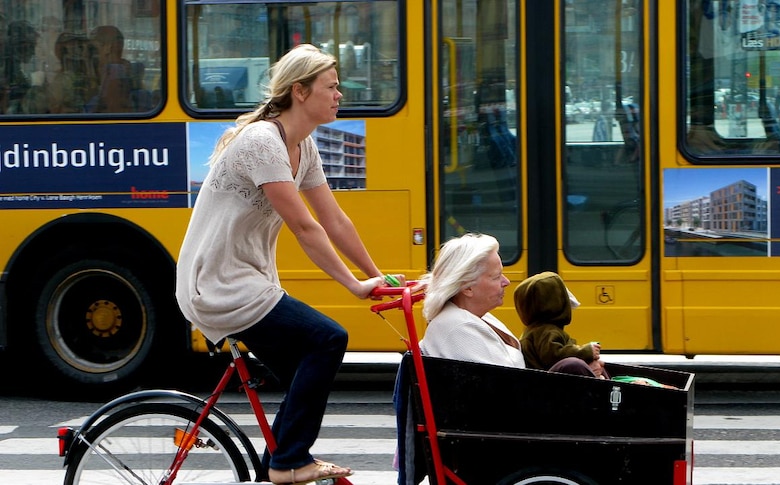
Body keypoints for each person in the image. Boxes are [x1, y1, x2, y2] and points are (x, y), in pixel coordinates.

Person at [176, 44, 395, 485]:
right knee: (328, 339)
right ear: (300, 91)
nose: (339, 96)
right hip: (220, 284)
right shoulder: (262, 142)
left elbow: (335, 219)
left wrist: (376, 275)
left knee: (304, 376)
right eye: (331, 87)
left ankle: (275, 466)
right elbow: (306, 228)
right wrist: (354, 286)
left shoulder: (302, 146)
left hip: (247, 280)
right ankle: (288, 462)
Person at [418, 232, 524, 368]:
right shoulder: (458, 327)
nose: (506, 282)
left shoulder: (465, 317)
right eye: (496, 276)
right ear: (467, 287)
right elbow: (508, 378)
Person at [515, 271, 608, 378]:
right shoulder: (546, 332)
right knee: (574, 364)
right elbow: (556, 356)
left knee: (598, 364)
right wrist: (586, 351)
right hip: (547, 385)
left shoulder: (540, 329)